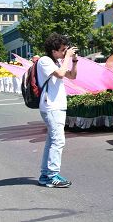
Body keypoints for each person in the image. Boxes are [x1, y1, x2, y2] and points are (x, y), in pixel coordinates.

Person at [37, 33, 78, 188]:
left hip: (57, 106)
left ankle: (45, 175)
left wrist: (74, 61)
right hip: (50, 107)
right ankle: (52, 175)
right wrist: (67, 57)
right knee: (58, 141)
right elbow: (61, 74)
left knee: (51, 141)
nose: (63, 52)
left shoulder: (55, 62)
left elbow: (72, 76)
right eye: (61, 50)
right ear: (53, 51)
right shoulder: (45, 61)